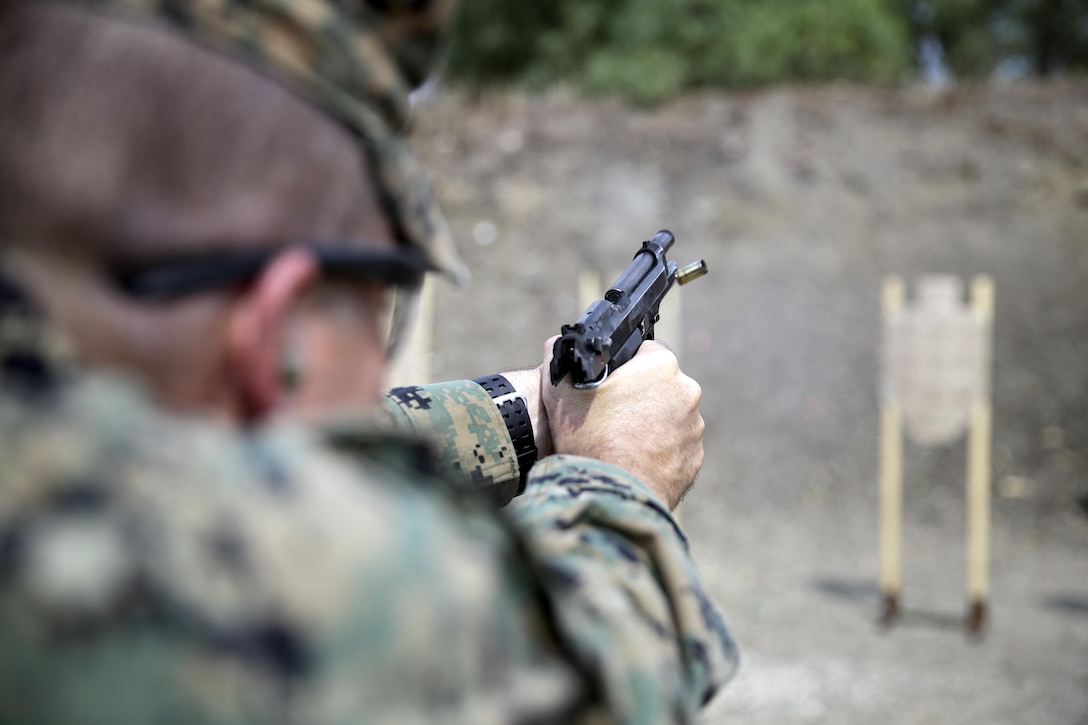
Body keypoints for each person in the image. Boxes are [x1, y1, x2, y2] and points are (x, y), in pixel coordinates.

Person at [0, 1, 738, 723]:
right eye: (380, 305)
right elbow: (598, 681)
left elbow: (326, 430)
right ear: (280, 336)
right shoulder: (167, 559)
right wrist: (619, 475)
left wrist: (537, 413)